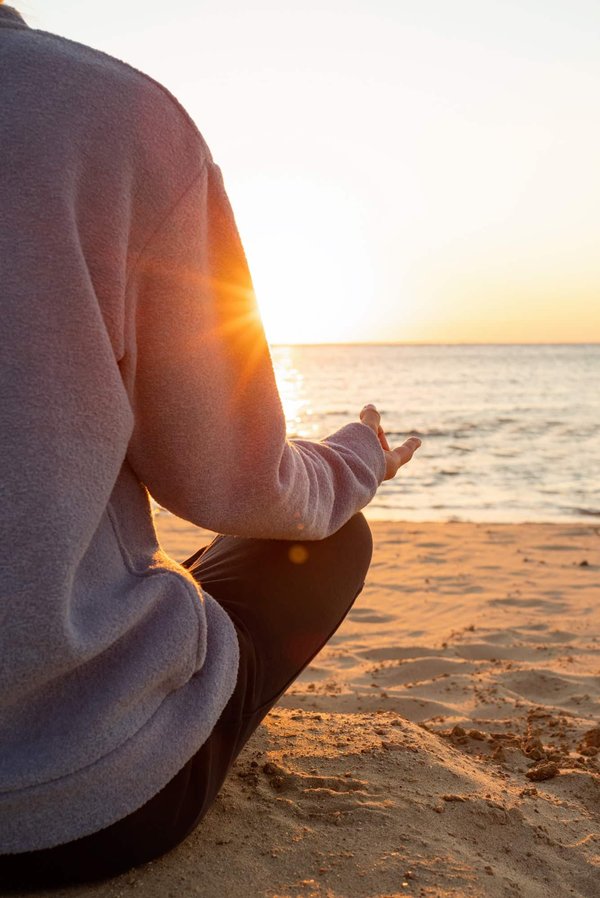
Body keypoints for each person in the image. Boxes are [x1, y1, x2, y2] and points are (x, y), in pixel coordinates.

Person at [0, 3, 421, 887]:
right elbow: (235, 484)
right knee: (322, 542)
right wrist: (356, 459)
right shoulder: (105, 111)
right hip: (68, 807)